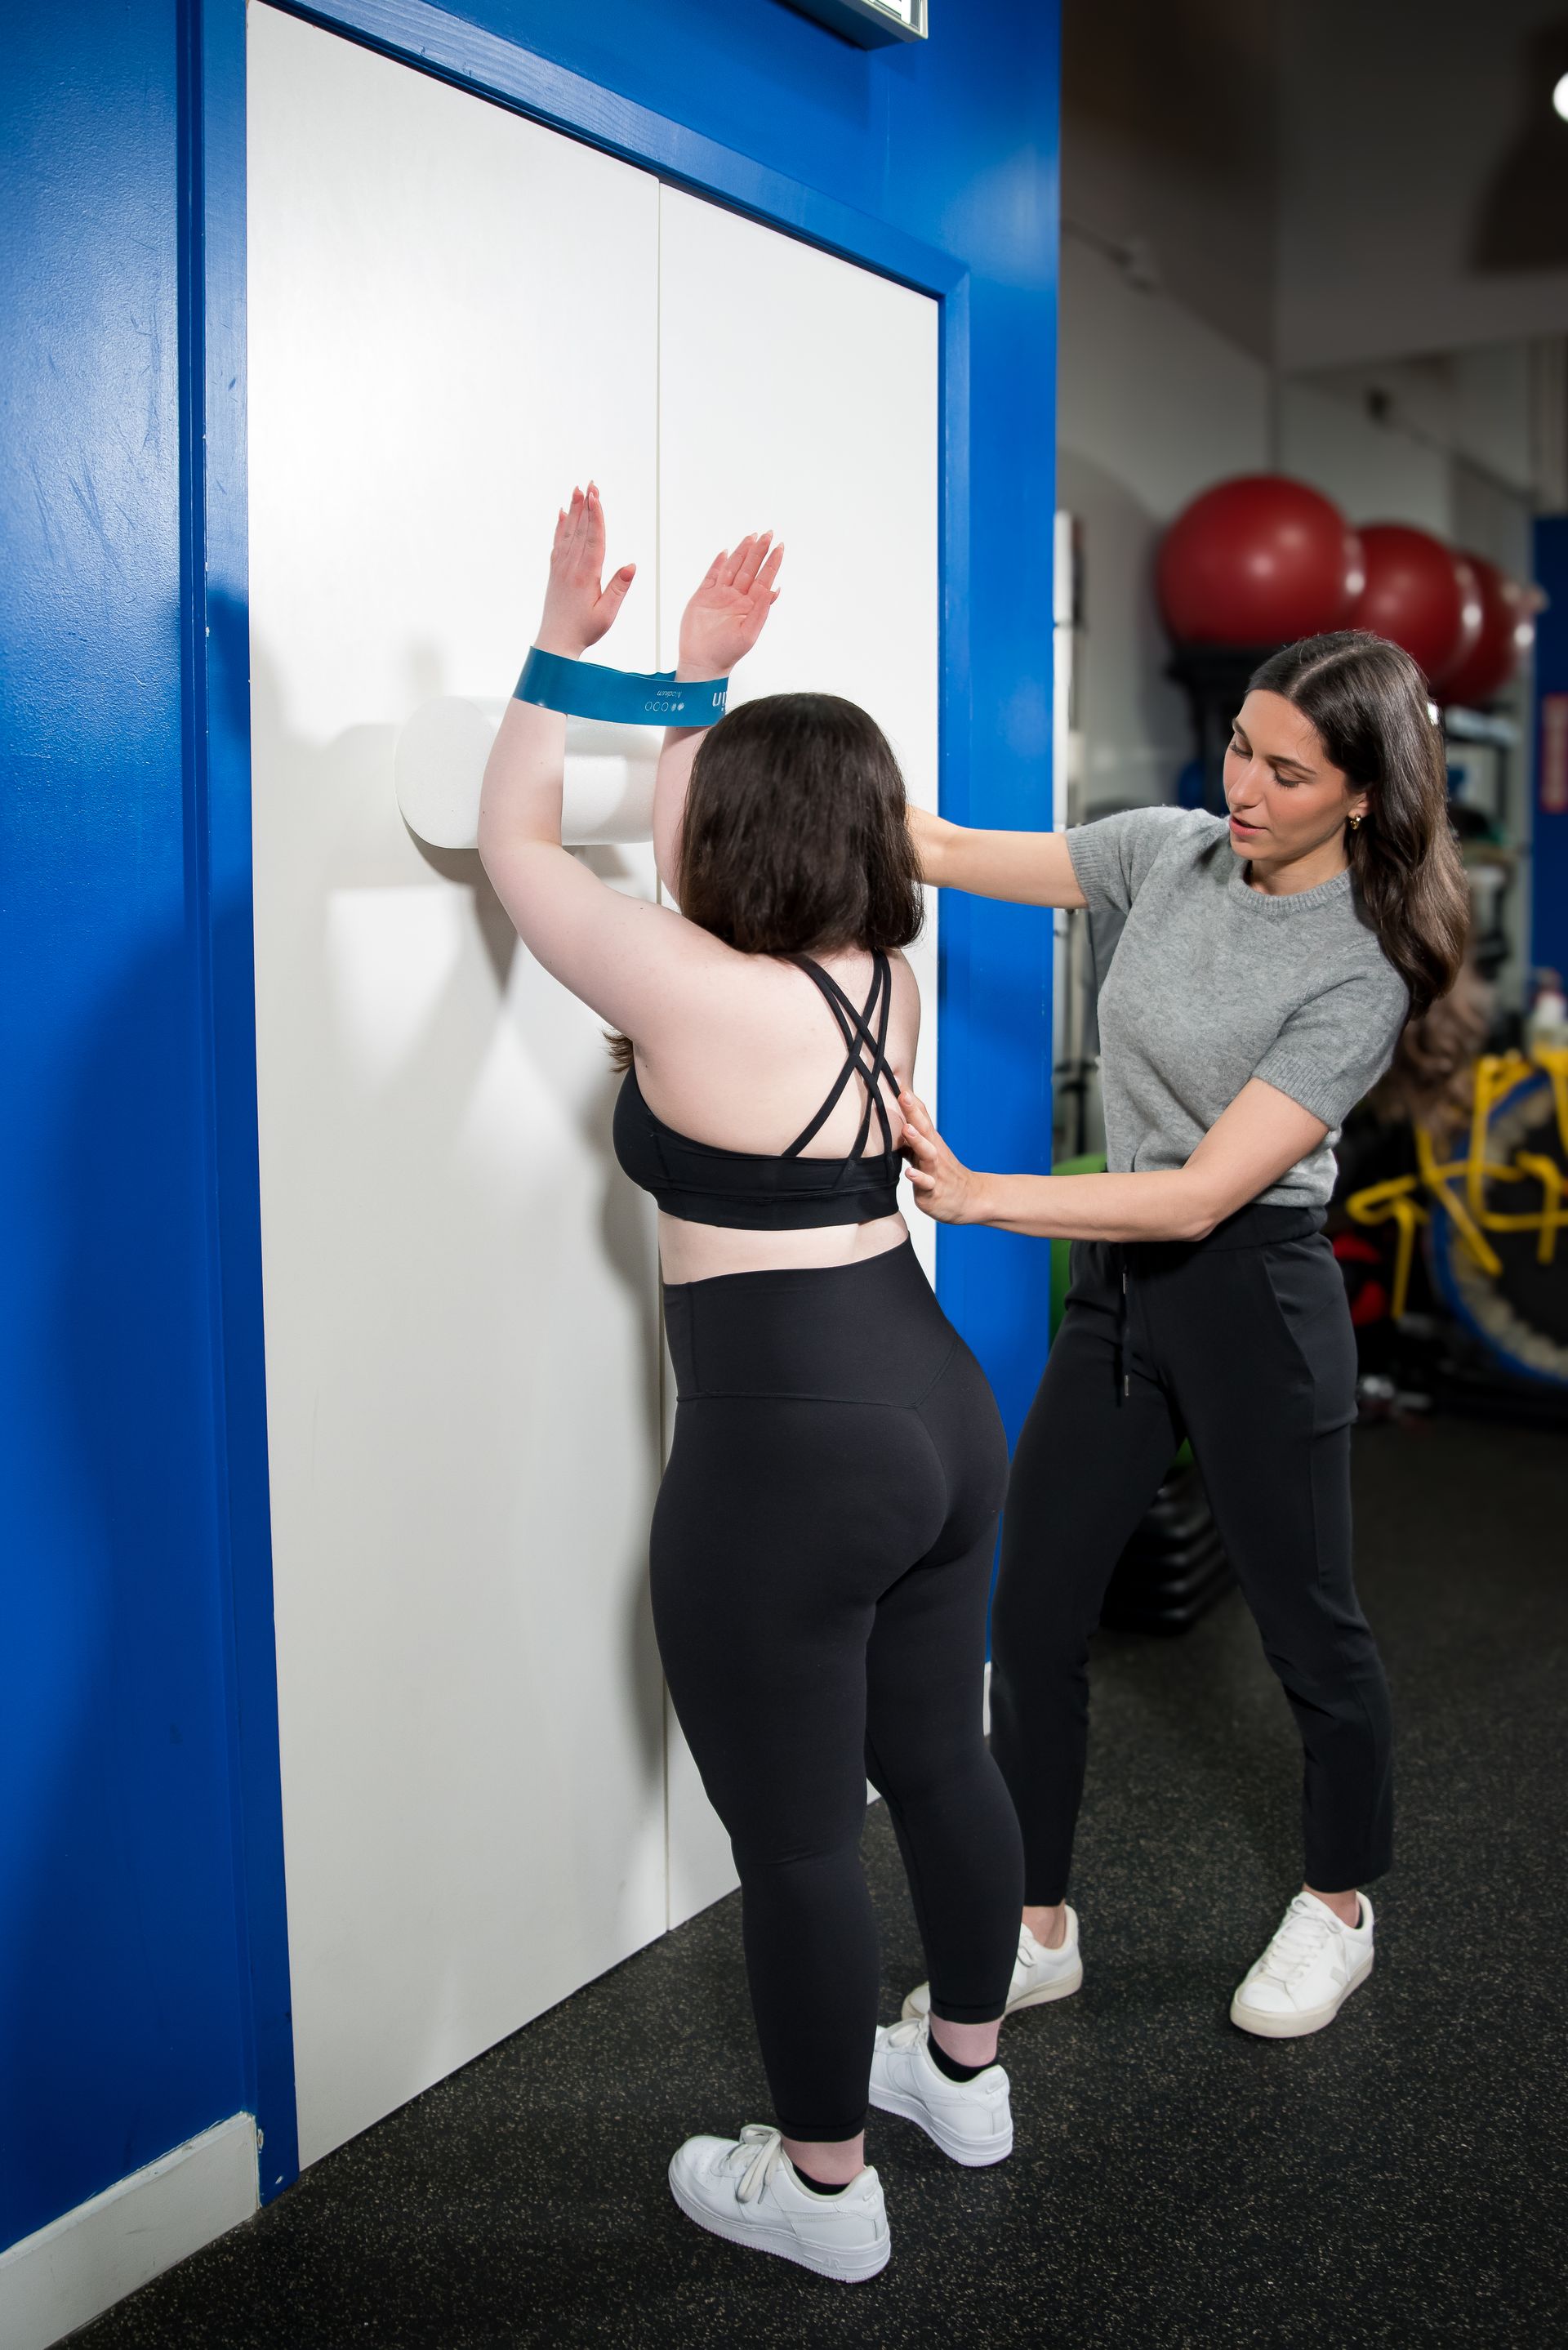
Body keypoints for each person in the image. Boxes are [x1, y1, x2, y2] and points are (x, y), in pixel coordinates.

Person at [478, 485, 1024, 2284]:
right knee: (939, 1759)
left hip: (787, 1449)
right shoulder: (883, 975)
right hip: (938, 1404)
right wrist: (702, 684)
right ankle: (964, 2074)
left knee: (792, 1843)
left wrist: (567, 650)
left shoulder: (688, 984)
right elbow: (693, 868)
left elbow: (520, 847)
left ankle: (822, 2186)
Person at [894, 631, 1469, 2040]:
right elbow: (951, 849)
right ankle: (1038, 1925)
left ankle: (1341, 1904)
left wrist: (977, 1197)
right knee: (1030, 1612)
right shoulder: (1168, 851)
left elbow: (1215, 1186)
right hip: (1125, 1287)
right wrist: (732, 721)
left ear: (1363, 799)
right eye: (1238, 748)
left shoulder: (1362, 971)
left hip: (1253, 1290)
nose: (1245, 789)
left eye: (1287, 771)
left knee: (1309, 1631)